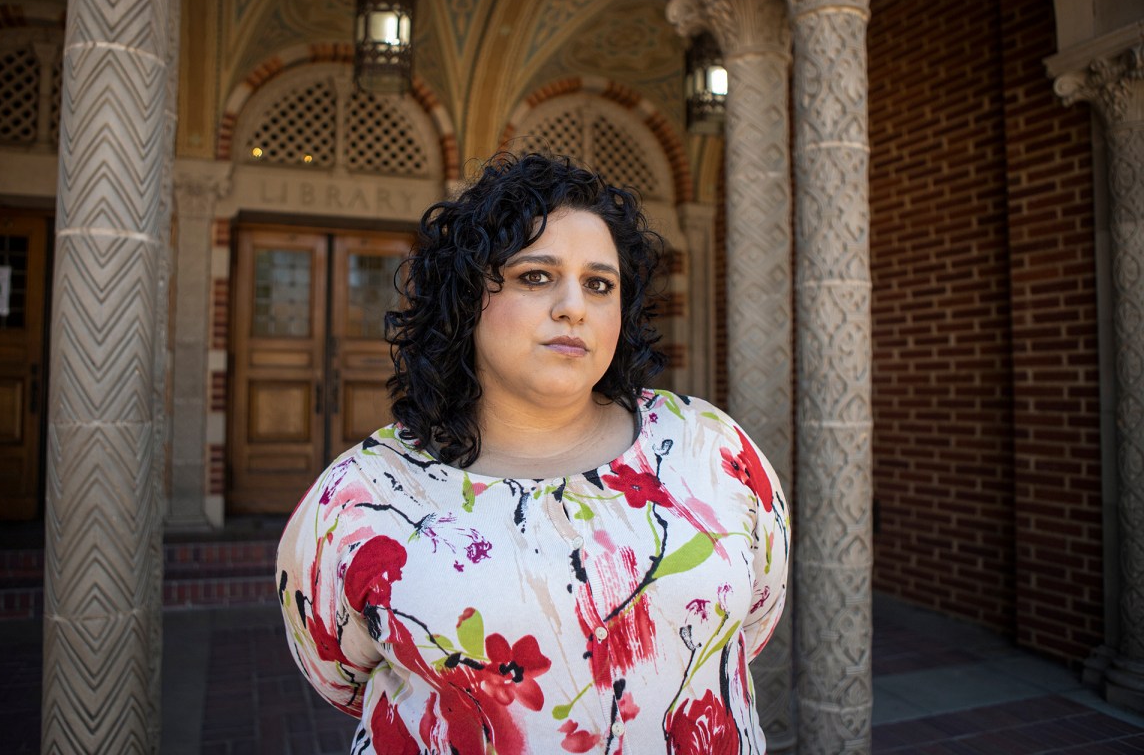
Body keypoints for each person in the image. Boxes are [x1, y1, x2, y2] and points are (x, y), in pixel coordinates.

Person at [275, 152, 790, 754]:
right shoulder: (362, 494)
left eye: (600, 284)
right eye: (536, 276)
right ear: (467, 298)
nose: (574, 305)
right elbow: (340, 670)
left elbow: (751, 617)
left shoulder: (712, 447)